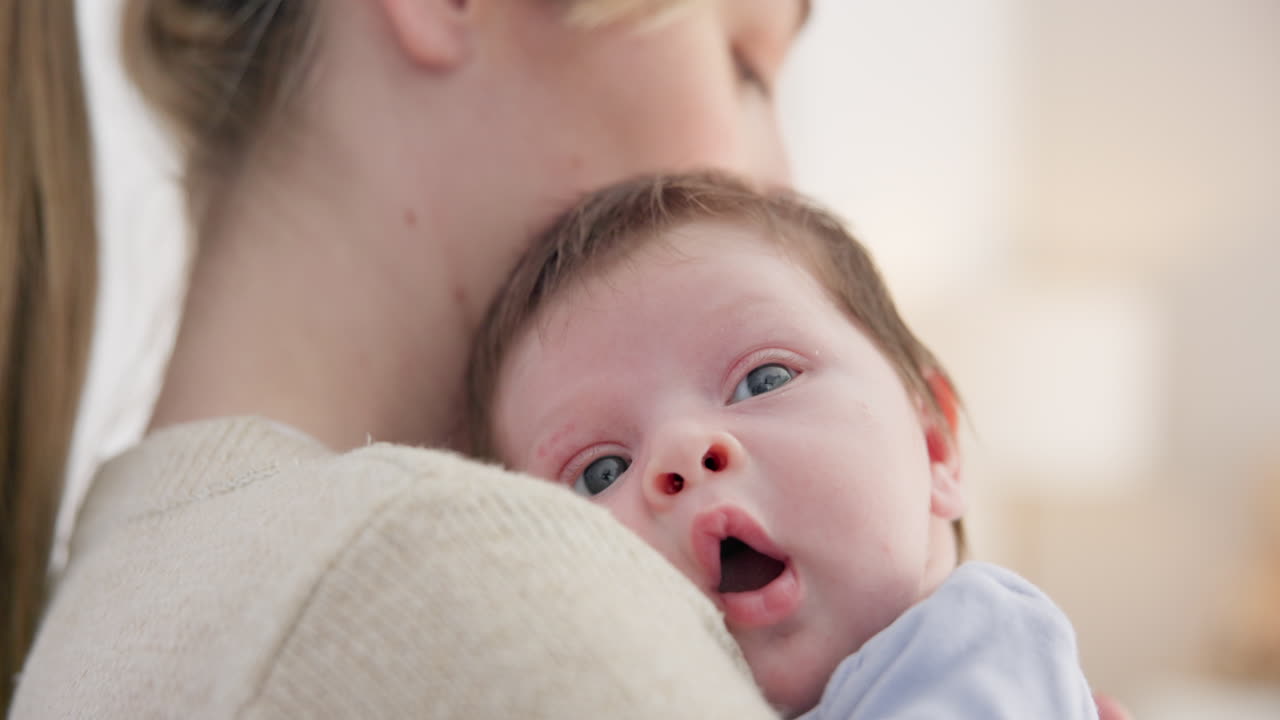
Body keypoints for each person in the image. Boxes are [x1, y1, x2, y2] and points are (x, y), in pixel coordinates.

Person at [0, 0, 1132, 718]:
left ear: (936, 439)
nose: (780, 175)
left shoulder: (135, 560)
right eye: (744, 59)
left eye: (766, 380)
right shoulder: (453, 576)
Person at [469, 172, 1099, 718]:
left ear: (933, 447)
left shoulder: (976, 642)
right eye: (601, 472)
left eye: (762, 380)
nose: (683, 452)